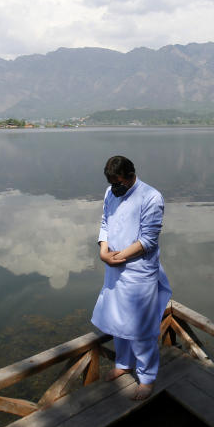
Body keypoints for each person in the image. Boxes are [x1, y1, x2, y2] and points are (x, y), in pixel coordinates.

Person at [91, 155, 172, 400]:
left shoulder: (151, 197)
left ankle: (147, 378)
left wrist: (118, 257)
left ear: (130, 176)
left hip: (139, 273)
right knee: (118, 322)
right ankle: (123, 364)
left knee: (141, 327)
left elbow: (148, 240)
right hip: (114, 267)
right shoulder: (110, 193)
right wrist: (103, 251)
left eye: (118, 183)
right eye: (111, 183)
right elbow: (105, 222)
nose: (115, 187)